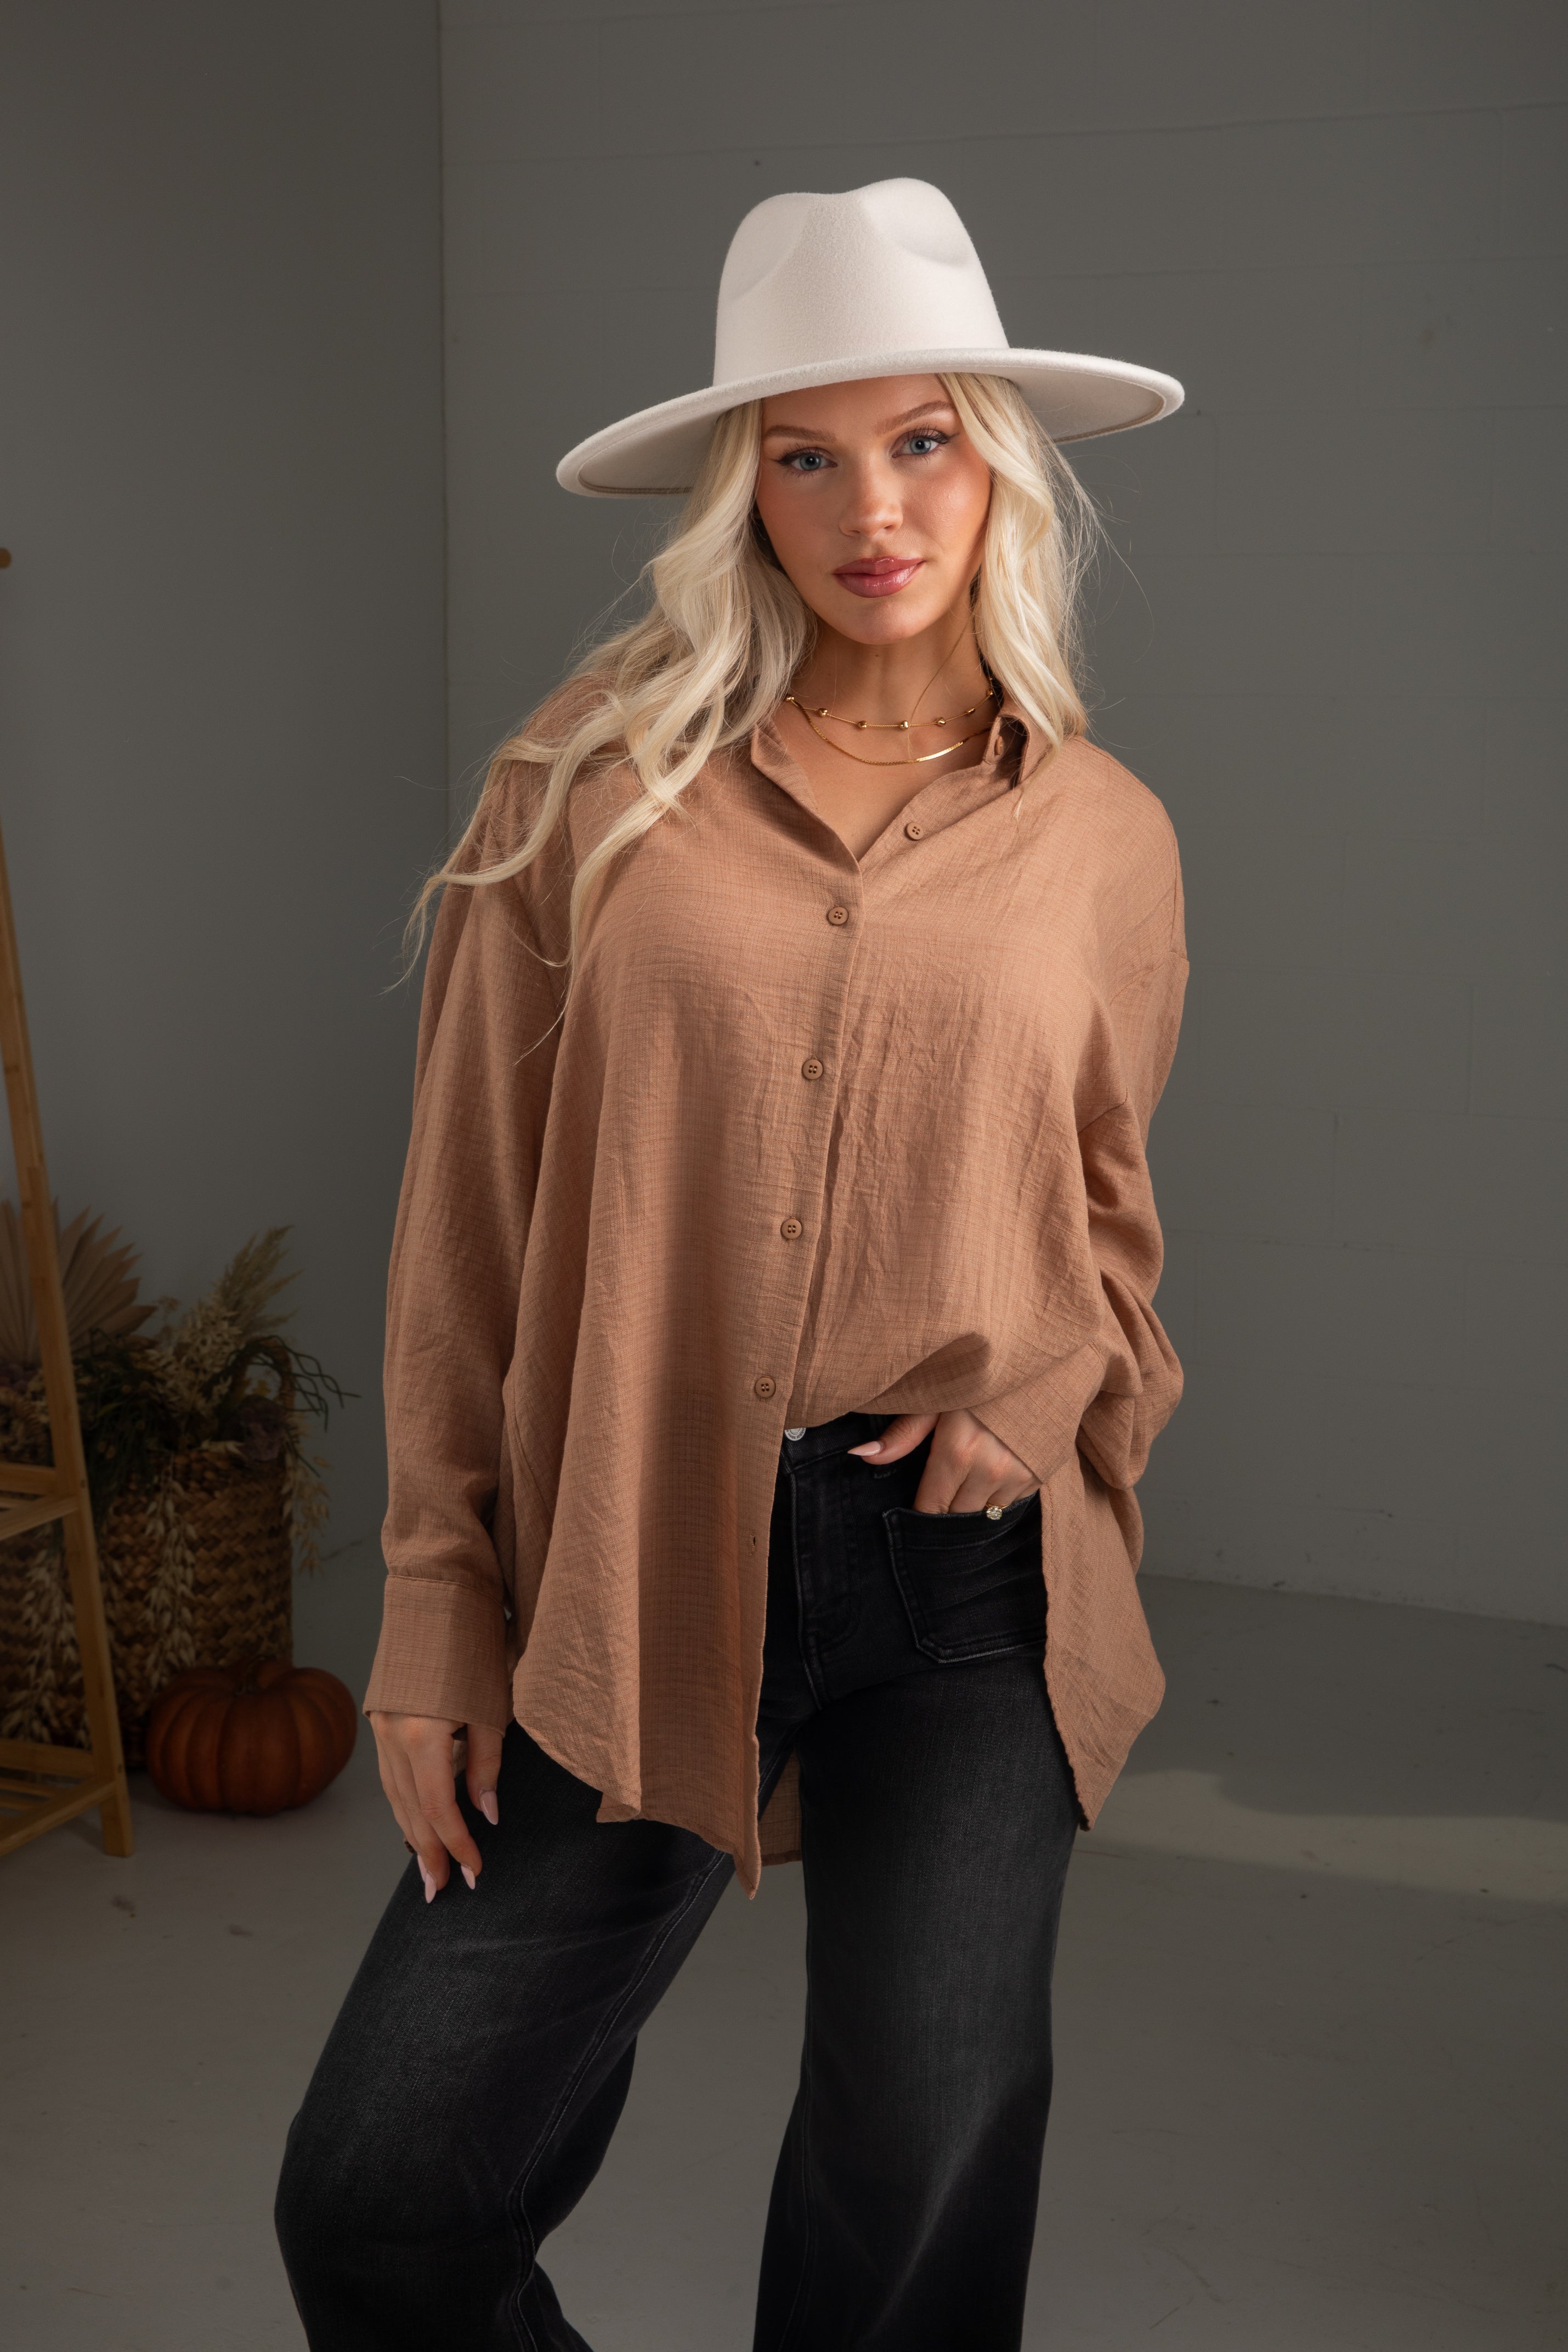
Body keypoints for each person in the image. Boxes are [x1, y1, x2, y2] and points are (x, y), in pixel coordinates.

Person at [276, 178, 1188, 2351]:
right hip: (628, 1541)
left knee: (920, 2168)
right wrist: (433, 1598)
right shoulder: (586, 788)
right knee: (386, 2191)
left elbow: (1107, 1225)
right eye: (805, 453)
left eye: (924, 441)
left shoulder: (1104, 839)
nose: (873, 507)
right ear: (742, 491)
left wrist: (1041, 1388)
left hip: (961, 1573)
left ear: (999, 464)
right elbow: (466, 1220)